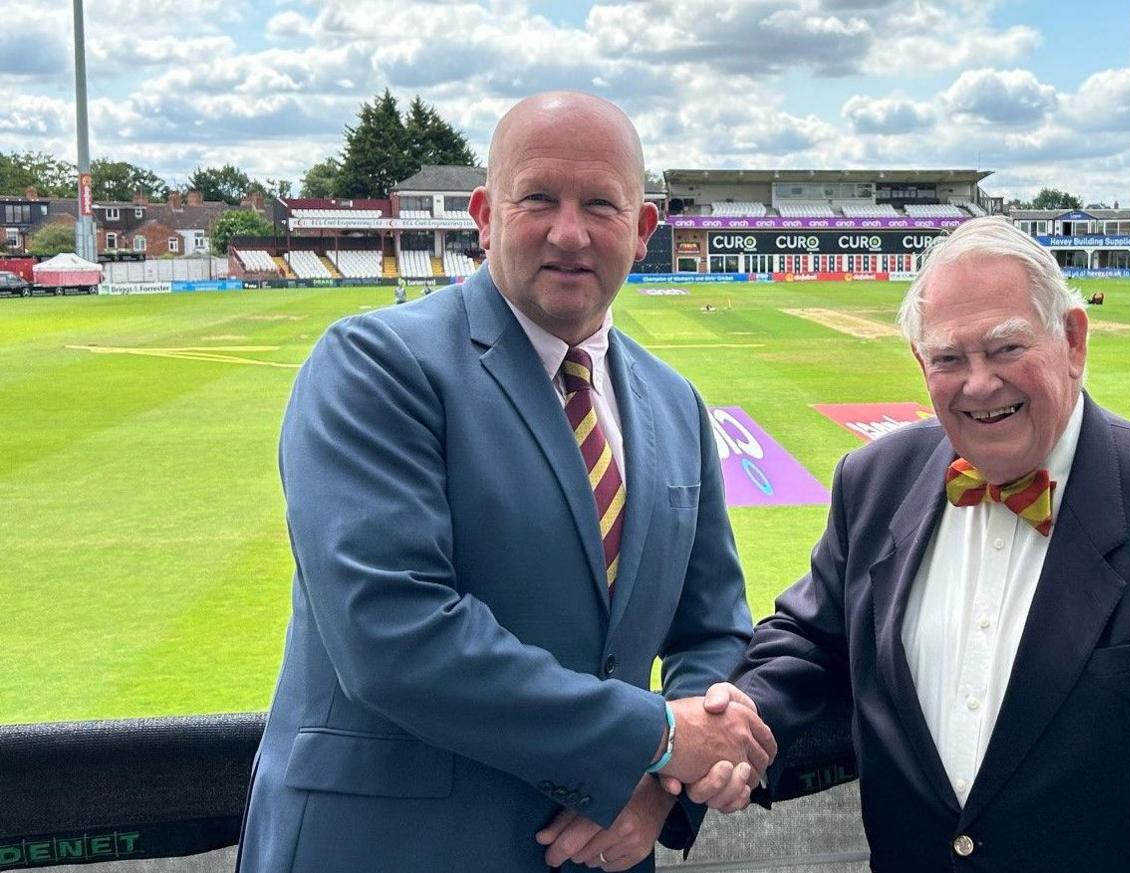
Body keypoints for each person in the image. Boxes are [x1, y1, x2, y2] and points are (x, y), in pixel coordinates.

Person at [235, 92, 774, 873]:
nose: (569, 232)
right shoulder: (375, 365)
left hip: (606, 853)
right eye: (538, 200)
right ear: (485, 216)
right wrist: (654, 736)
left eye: (600, 204)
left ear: (644, 228)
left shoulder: (675, 404)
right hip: (391, 851)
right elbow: (394, 632)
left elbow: (713, 627)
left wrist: (657, 786)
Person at [684, 217, 1130, 870]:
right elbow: (811, 640)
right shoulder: (875, 482)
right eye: (949, 358)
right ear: (920, 362)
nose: (980, 383)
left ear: (1072, 340)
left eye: (1006, 348)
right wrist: (738, 717)